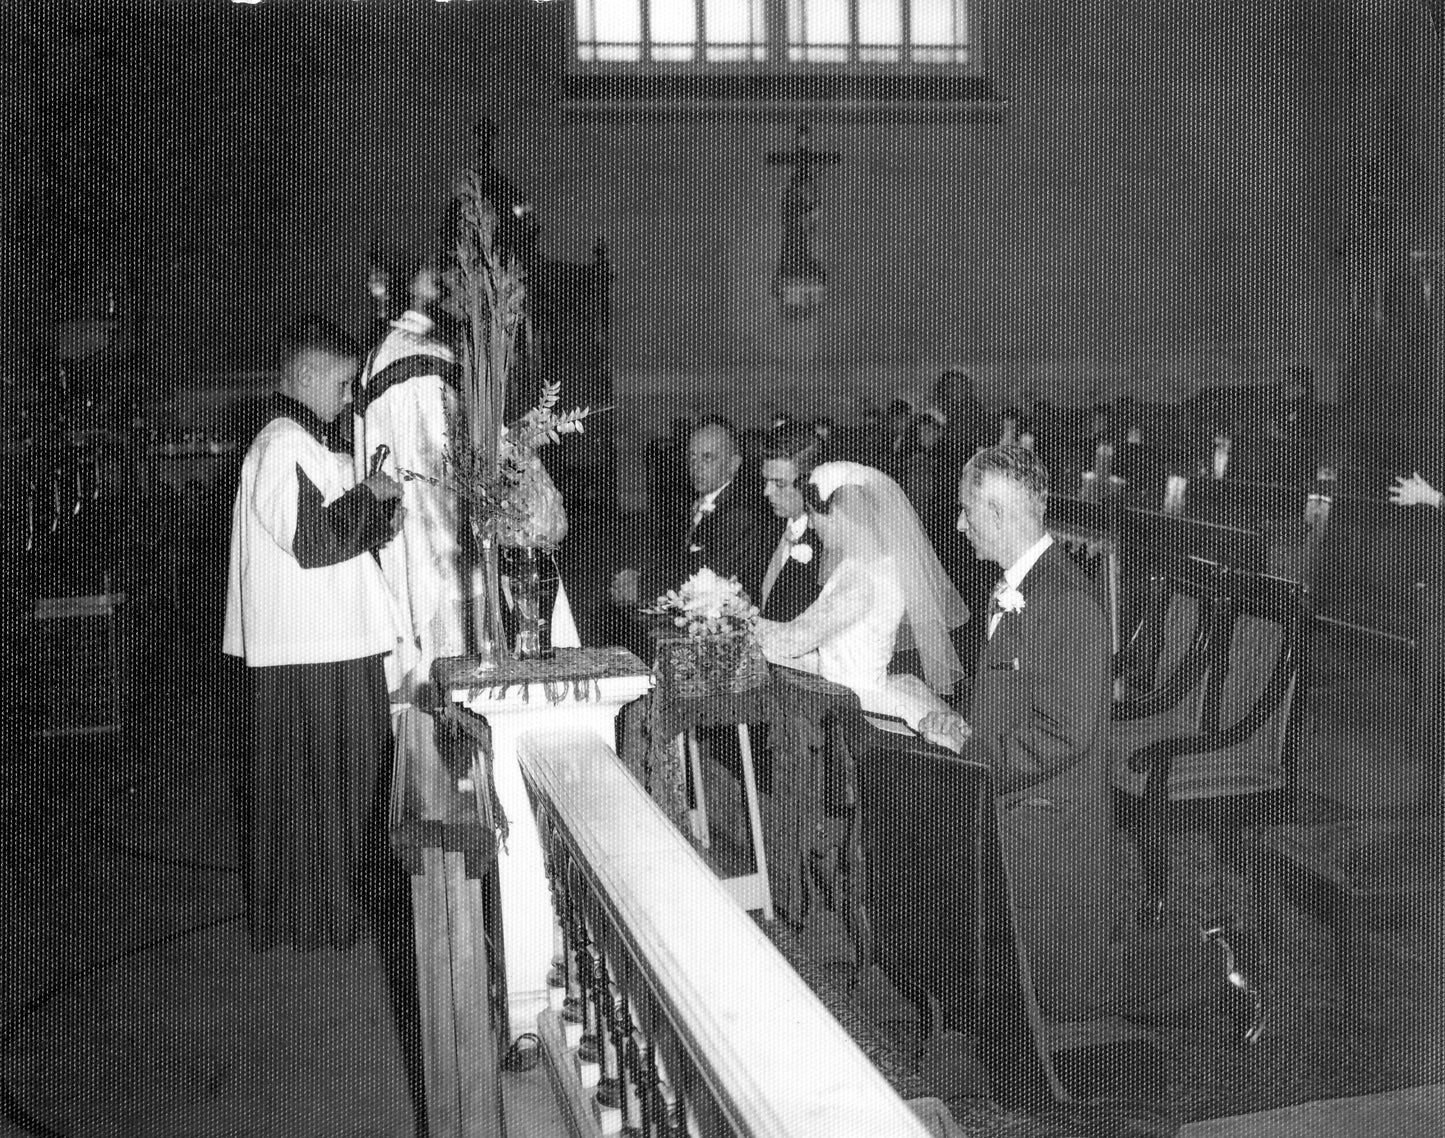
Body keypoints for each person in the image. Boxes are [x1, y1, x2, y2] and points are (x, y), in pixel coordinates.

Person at [223, 315, 405, 952]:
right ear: (303, 375)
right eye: (341, 381)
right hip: (309, 651)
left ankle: (334, 914)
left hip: (333, 643)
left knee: (343, 788)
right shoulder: (278, 445)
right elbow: (312, 541)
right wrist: (370, 499)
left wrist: (381, 508)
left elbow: (342, 533)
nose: (348, 395)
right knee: (325, 792)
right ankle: (319, 919)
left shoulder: (311, 446)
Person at [919, 444, 1114, 1022]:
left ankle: (1208, 962)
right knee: (1028, 981)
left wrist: (971, 750)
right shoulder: (1014, 584)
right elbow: (1012, 697)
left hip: (1050, 814)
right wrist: (964, 724)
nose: (959, 524)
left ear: (998, 515)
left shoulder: (1066, 601)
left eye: (966, 511)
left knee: (1078, 995)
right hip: (1018, 794)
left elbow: (1063, 733)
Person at [754, 461, 968, 739]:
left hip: (856, 707)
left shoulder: (861, 580)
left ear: (838, 514)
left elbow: (792, 640)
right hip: (848, 690)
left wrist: (742, 620)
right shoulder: (877, 565)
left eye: (814, 513)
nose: (814, 524)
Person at [610, 417, 769, 610]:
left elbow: (710, 580)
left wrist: (642, 588)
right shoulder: (701, 501)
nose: (696, 466)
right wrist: (640, 577)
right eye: (692, 457)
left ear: (734, 464)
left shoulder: (739, 514)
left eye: (708, 457)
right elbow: (681, 566)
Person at [757, 421, 826, 621]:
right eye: (766, 481)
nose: (767, 492)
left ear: (808, 483)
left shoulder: (827, 542)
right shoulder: (770, 525)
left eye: (779, 483)